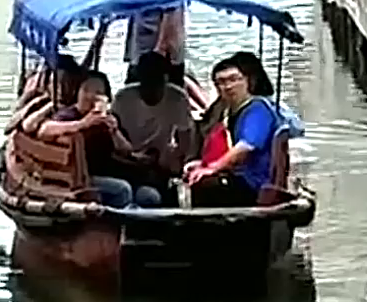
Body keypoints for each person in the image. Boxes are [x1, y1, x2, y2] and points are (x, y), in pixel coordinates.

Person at [35, 71, 162, 209]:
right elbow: (45, 130)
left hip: (110, 172)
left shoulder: (107, 118)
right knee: (122, 189)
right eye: (86, 90)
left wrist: (114, 131)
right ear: (78, 92)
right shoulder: (69, 115)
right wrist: (83, 124)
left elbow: (126, 150)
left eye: (97, 92)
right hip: (81, 177)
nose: (90, 96)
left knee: (150, 195)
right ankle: (119, 224)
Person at [183, 52, 280, 206]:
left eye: (234, 79)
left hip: (253, 183)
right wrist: (203, 164)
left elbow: (244, 148)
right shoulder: (230, 112)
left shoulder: (258, 110)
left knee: (204, 184)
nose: (228, 86)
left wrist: (213, 168)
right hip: (237, 176)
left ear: (247, 81)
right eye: (221, 82)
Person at [113, 52, 195, 186]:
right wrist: (132, 156)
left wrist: (176, 157)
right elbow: (115, 134)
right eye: (148, 83)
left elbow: (185, 137)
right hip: (129, 155)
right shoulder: (122, 99)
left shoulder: (177, 98)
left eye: (157, 83)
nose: (152, 90)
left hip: (161, 157)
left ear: (166, 80)